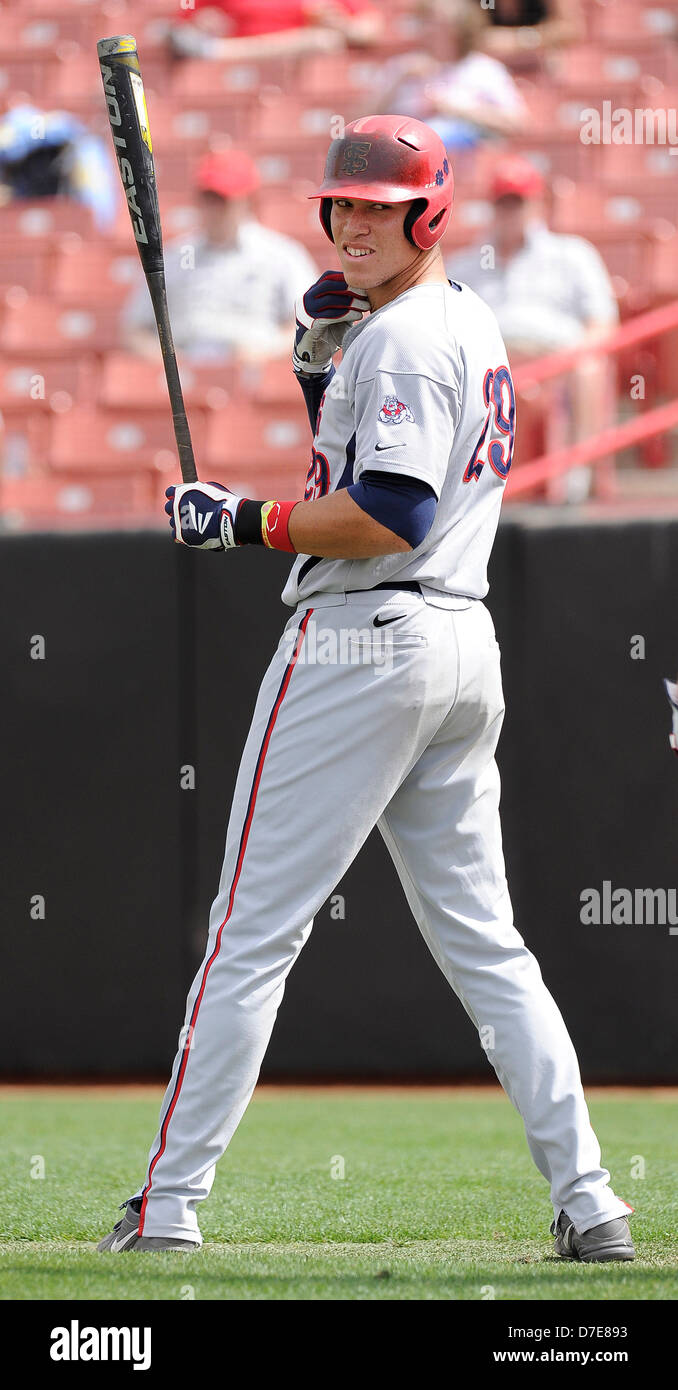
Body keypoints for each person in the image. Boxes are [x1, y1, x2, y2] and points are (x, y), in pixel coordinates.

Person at [98, 115, 634, 1263]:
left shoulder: (396, 343)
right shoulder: (451, 323)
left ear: (428, 214)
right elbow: (383, 474)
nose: (351, 223)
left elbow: (389, 513)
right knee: (490, 945)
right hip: (457, 644)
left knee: (248, 934)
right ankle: (591, 1200)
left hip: (358, 641)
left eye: (378, 207)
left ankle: (168, 1204)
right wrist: (316, 385)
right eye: (339, 204)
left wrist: (241, 519)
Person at [446, 156, 619, 494]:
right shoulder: (466, 262)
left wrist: (572, 356)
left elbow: (603, 322)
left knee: (589, 366)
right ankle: (458, 483)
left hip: (558, 358)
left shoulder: (572, 254)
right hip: (493, 362)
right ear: (492, 207)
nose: (511, 211)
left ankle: (576, 473)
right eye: (503, 202)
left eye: (518, 202)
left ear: (538, 204)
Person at [122, 149, 318, 362]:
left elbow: (314, 324)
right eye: (208, 198)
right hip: (185, 372)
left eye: (223, 199)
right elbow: (134, 330)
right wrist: (170, 361)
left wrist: (266, 353)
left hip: (254, 372)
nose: (213, 209)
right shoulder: (173, 256)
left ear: (248, 201)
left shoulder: (281, 255)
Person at [377, 1, 528, 153]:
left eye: (435, 22)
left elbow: (516, 123)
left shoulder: (484, 69)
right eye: (424, 21)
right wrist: (398, 81)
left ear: (458, 29)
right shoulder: (404, 66)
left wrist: (454, 109)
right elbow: (360, 121)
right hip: (402, 151)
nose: (427, 29)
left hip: (462, 153)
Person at [0, 103, 117, 231]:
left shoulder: (87, 151)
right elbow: (14, 133)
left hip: (62, 203)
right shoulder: (53, 128)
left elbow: (98, 217)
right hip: (23, 183)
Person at [166, 0, 383, 61]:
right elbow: (179, 28)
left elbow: (369, 29)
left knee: (323, 41)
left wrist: (341, 23)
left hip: (303, 64)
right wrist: (202, 22)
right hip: (240, 67)